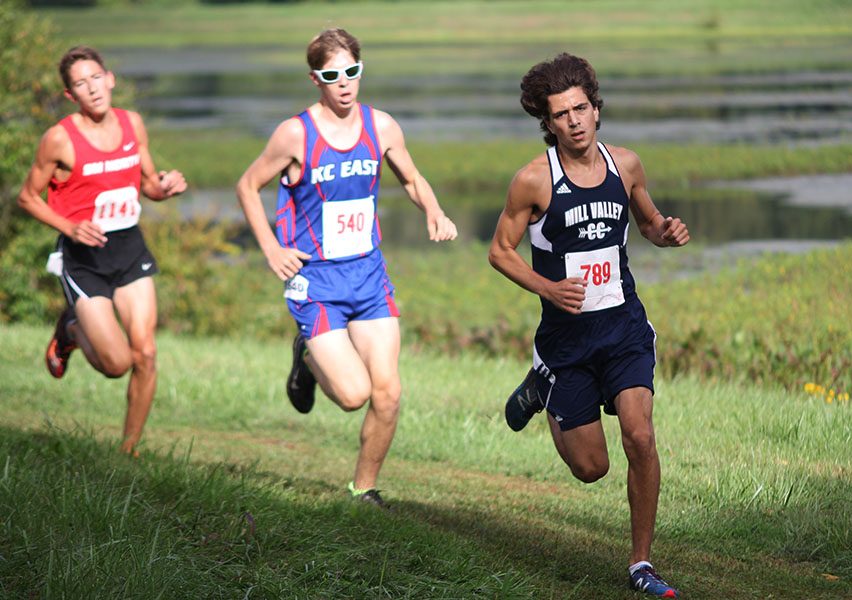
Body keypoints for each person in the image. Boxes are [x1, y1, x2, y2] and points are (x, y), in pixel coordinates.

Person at [488, 53, 689, 598]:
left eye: (581, 108)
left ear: (596, 111)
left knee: (640, 436)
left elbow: (646, 222)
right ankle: (541, 383)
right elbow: (501, 252)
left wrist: (663, 233)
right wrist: (548, 288)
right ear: (548, 124)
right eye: (562, 114)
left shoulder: (626, 165)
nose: (574, 120)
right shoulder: (534, 180)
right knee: (591, 467)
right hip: (567, 344)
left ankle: (641, 565)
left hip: (623, 329)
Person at [236, 28, 457, 508]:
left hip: (369, 276)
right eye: (332, 75)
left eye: (351, 72)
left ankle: (363, 489)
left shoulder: (382, 127)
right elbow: (247, 185)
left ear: (361, 70)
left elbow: (413, 179)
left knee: (388, 392)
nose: (344, 83)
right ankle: (308, 357)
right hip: (315, 283)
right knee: (355, 394)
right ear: (316, 79)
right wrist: (271, 248)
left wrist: (434, 211)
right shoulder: (296, 133)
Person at [17, 46, 187, 456]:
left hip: (128, 248)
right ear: (71, 94)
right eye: (80, 83)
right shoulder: (60, 138)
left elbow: (147, 183)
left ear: (110, 79)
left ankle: (128, 451)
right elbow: (27, 197)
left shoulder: (132, 124)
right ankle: (70, 329)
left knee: (145, 351)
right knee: (116, 364)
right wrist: (69, 226)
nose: (92, 89)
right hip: (84, 259)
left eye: (96, 78)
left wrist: (163, 187)